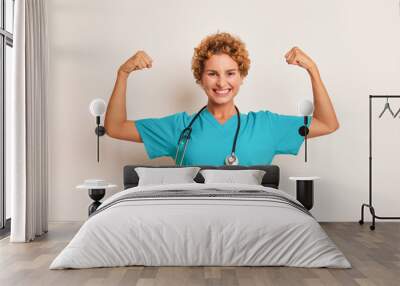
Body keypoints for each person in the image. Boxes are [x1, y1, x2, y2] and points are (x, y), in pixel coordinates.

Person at [104, 32, 339, 166]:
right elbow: (115, 128)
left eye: (230, 73)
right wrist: (122, 74)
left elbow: (327, 124)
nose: (221, 83)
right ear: (200, 78)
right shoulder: (179, 127)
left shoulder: (267, 126)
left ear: (242, 76)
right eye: (212, 73)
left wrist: (313, 70)